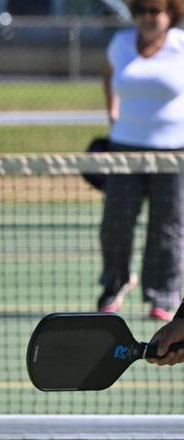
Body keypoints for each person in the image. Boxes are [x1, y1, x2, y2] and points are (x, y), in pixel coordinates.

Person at [97, 0, 184, 320]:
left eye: (156, 10)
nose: (148, 17)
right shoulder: (120, 44)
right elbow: (109, 76)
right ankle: (114, 283)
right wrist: (113, 113)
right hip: (125, 150)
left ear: (170, 14)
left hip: (173, 153)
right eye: (143, 10)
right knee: (115, 223)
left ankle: (163, 293)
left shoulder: (181, 47)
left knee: (168, 226)